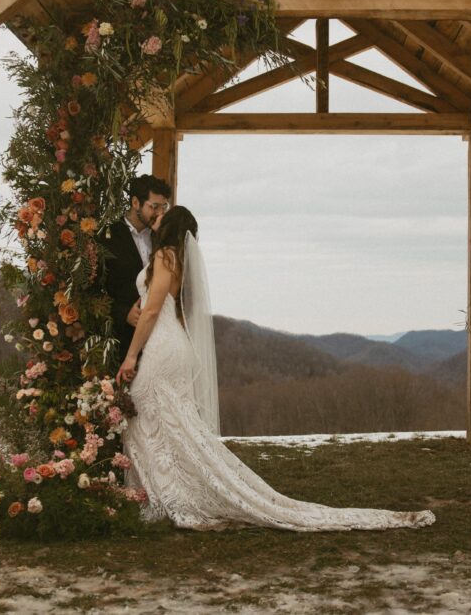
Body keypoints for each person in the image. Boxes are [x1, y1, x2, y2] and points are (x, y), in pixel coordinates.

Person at [116, 206, 436, 532]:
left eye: (161, 217)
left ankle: (165, 495)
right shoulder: (178, 261)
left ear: (170, 226)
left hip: (161, 346)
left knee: (146, 414)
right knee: (167, 420)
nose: (156, 218)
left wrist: (131, 357)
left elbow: (153, 311)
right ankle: (167, 491)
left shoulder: (165, 256)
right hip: (174, 345)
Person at [103, 174, 171, 364]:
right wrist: (123, 313)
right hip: (121, 340)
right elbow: (96, 290)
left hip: (161, 338)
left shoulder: (164, 238)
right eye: (154, 207)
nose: (160, 213)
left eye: (164, 207)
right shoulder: (108, 236)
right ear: (135, 202)